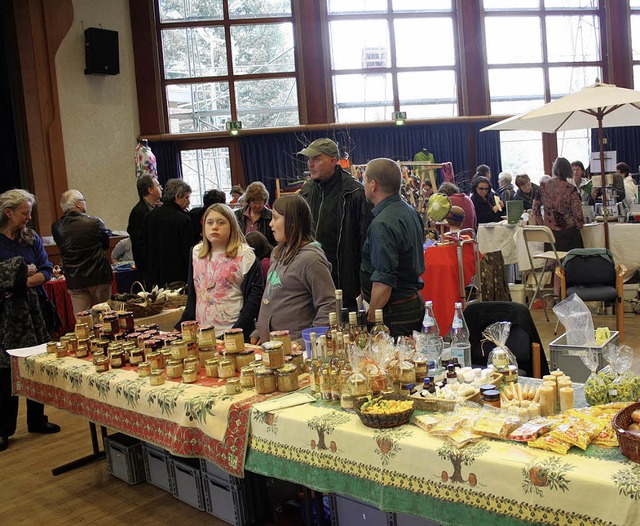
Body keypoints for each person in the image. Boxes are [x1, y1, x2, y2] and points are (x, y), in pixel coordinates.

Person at [0, 189, 60, 451]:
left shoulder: (30, 238)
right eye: (24, 213)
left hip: (35, 311)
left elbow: (46, 270)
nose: (29, 217)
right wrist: (24, 273)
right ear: (8, 212)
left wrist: (19, 282)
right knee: (5, 372)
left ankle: (37, 419)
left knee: (35, 363)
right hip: (5, 316)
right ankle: (3, 429)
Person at [298, 138, 372, 311]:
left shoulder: (354, 194)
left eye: (316, 159)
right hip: (311, 282)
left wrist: (364, 283)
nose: (310, 164)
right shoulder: (306, 192)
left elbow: (366, 243)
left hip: (346, 285)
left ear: (333, 161)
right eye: (308, 159)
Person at [253, 194, 335, 344]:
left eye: (275, 218)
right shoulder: (277, 252)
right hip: (272, 344)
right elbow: (271, 295)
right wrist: (260, 329)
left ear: (292, 222)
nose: (271, 224)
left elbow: (329, 305)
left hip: (294, 347)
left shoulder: (311, 259)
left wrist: (306, 341)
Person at [360, 158, 425, 337]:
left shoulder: (382, 223)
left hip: (394, 312)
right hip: (410, 304)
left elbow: (384, 281)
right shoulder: (409, 211)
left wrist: (372, 320)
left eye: (364, 180)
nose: (363, 184)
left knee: (392, 364)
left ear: (373, 185)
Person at [177, 204, 263, 339]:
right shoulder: (196, 252)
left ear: (232, 226)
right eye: (209, 223)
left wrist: (238, 329)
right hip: (203, 332)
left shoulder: (244, 254)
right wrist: (181, 325)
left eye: (221, 222)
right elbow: (193, 295)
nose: (214, 227)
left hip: (233, 329)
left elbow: (255, 296)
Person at [51, 190, 113, 314]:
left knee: (83, 320)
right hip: (98, 276)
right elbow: (106, 245)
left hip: (75, 280)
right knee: (105, 317)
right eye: (83, 200)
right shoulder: (95, 223)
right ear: (78, 204)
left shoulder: (57, 227)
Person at [141, 178, 195, 288]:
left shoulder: (150, 216)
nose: (188, 202)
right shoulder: (183, 219)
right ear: (177, 197)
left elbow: (144, 246)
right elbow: (187, 252)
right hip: (178, 276)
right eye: (186, 197)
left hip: (155, 274)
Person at [532, 157, 584, 251]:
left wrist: (542, 224)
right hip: (569, 233)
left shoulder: (543, 187)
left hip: (550, 233)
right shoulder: (570, 188)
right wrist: (580, 225)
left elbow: (535, 209)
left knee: (554, 259)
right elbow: (578, 213)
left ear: (554, 169)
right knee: (573, 259)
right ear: (568, 170)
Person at [127, 175, 162, 272]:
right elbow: (140, 242)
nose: (161, 188)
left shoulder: (156, 208)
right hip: (148, 265)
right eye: (158, 186)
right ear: (150, 190)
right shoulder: (139, 212)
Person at [234, 182, 276, 247]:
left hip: (265, 255)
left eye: (260, 202)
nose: (257, 205)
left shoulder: (271, 216)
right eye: (254, 202)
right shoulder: (237, 215)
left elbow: (275, 242)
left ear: (264, 201)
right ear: (249, 201)